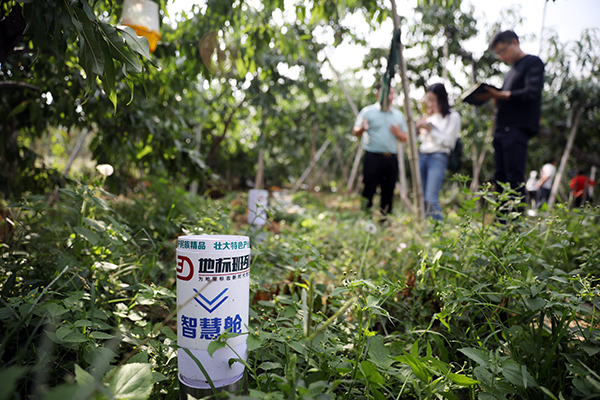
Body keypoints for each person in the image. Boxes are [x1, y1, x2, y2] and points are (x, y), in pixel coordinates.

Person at [483, 30, 545, 207]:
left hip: (517, 130)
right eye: (498, 54)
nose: (502, 57)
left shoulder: (532, 63)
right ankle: (501, 225)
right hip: (501, 130)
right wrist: (495, 98)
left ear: (515, 43)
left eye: (502, 51)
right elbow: (507, 98)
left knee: (514, 179)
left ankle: (515, 226)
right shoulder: (509, 73)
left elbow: (531, 93)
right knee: (500, 178)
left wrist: (502, 95)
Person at [353, 82, 408, 217]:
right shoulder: (367, 112)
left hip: (390, 158)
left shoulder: (398, 115)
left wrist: (397, 133)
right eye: (387, 93)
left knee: (389, 190)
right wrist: (362, 128)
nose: (390, 96)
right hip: (372, 157)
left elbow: (405, 137)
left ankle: (385, 219)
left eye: (392, 93)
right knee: (369, 188)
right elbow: (355, 131)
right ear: (378, 94)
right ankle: (365, 217)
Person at [416, 83, 461, 221]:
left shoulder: (452, 116)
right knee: (422, 196)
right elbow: (422, 140)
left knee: (431, 197)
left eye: (432, 100)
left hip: (438, 157)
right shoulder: (429, 117)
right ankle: (426, 230)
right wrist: (419, 129)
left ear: (441, 98)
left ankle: (438, 232)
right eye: (427, 100)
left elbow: (449, 142)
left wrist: (432, 130)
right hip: (423, 155)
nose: (429, 104)